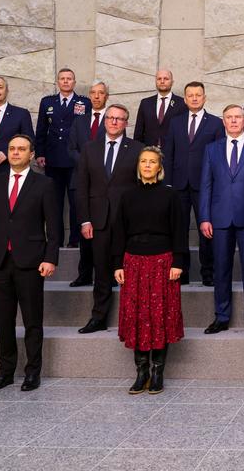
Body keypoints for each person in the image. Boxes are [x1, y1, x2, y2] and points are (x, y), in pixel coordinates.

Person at [0, 134, 61, 392]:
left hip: (32, 261)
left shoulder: (44, 184)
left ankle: (33, 372)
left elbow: (54, 227)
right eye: (12, 149)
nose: (15, 153)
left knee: (32, 320)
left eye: (21, 149)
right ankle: (5, 371)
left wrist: (50, 258)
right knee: (5, 320)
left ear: (31, 154)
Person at [112, 146, 189, 395]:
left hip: (162, 262)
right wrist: (117, 264)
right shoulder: (127, 196)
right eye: (143, 161)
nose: (147, 165)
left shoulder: (170, 195)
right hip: (133, 262)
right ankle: (141, 371)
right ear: (138, 166)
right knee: (137, 316)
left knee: (160, 316)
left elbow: (179, 230)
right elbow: (119, 232)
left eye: (152, 162)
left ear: (159, 167)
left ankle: (158, 372)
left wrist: (178, 262)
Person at [199, 105, 244, 335]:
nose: (233, 121)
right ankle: (221, 316)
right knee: (221, 269)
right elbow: (206, 186)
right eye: (229, 117)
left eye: (238, 117)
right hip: (219, 219)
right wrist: (204, 217)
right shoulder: (211, 149)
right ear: (223, 121)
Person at [74, 104, 141, 334]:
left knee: (130, 273)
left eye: (119, 119)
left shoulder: (138, 149)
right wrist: (84, 220)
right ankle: (99, 317)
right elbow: (81, 187)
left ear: (126, 123)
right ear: (105, 121)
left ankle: (131, 319)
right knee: (101, 271)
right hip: (97, 221)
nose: (114, 122)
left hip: (128, 223)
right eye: (111, 118)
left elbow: (142, 188)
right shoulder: (89, 149)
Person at [162, 81, 224, 286]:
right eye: (190, 95)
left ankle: (208, 273)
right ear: (185, 99)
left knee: (206, 229)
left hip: (205, 186)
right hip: (178, 185)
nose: (195, 98)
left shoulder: (215, 123)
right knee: (178, 229)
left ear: (204, 97)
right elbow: (168, 155)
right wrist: (168, 184)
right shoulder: (175, 122)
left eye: (198, 95)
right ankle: (182, 272)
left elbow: (218, 158)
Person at [35, 68, 87, 248]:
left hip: (75, 161)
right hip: (53, 159)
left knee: (75, 202)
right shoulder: (47, 102)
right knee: (54, 203)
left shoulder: (84, 102)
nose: (66, 81)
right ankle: (55, 241)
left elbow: (86, 132)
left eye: (69, 79)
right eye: (62, 79)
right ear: (58, 81)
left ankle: (74, 240)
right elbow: (41, 130)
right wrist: (40, 153)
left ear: (74, 81)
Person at [66, 81, 109, 287]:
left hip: (104, 184)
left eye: (101, 93)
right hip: (81, 181)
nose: (97, 96)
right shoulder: (79, 121)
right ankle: (84, 274)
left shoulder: (113, 120)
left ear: (106, 96)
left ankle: (105, 273)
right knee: (84, 229)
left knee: (104, 230)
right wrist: (86, 164)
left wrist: (95, 165)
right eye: (93, 93)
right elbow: (71, 148)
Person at [133, 69, 184, 148]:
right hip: (149, 153)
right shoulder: (145, 103)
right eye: (159, 79)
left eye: (166, 79)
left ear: (172, 82)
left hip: (173, 153)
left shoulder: (182, 103)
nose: (162, 81)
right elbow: (138, 132)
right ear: (155, 81)